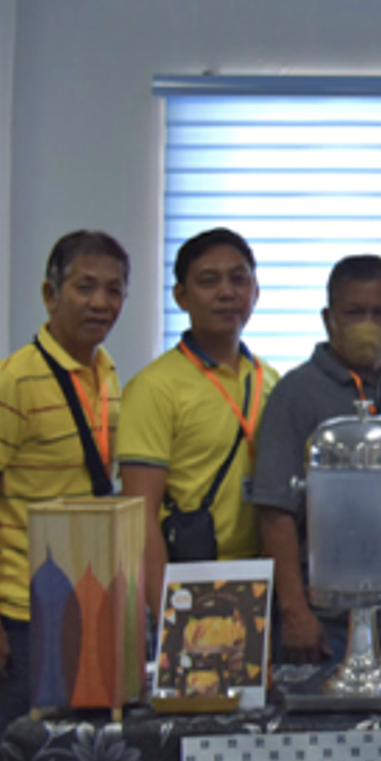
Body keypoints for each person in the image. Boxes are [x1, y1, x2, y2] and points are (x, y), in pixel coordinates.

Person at [0, 231, 129, 735]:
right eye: (85, 287)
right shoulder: (11, 380)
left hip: (87, 607)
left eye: (114, 290)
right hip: (20, 615)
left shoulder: (107, 373)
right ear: (50, 295)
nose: (101, 302)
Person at [249, 255, 381, 666]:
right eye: (354, 312)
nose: (368, 323)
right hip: (327, 625)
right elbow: (275, 512)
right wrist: (295, 613)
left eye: (380, 313)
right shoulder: (296, 394)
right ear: (329, 318)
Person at [117, 228, 278, 614]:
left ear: (255, 292)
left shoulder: (270, 380)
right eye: (209, 281)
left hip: (261, 580)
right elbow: (139, 516)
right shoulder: (154, 387)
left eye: (239, 280)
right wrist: (165, 613)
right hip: (189, 579)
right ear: (181, 296)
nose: (227, 293)